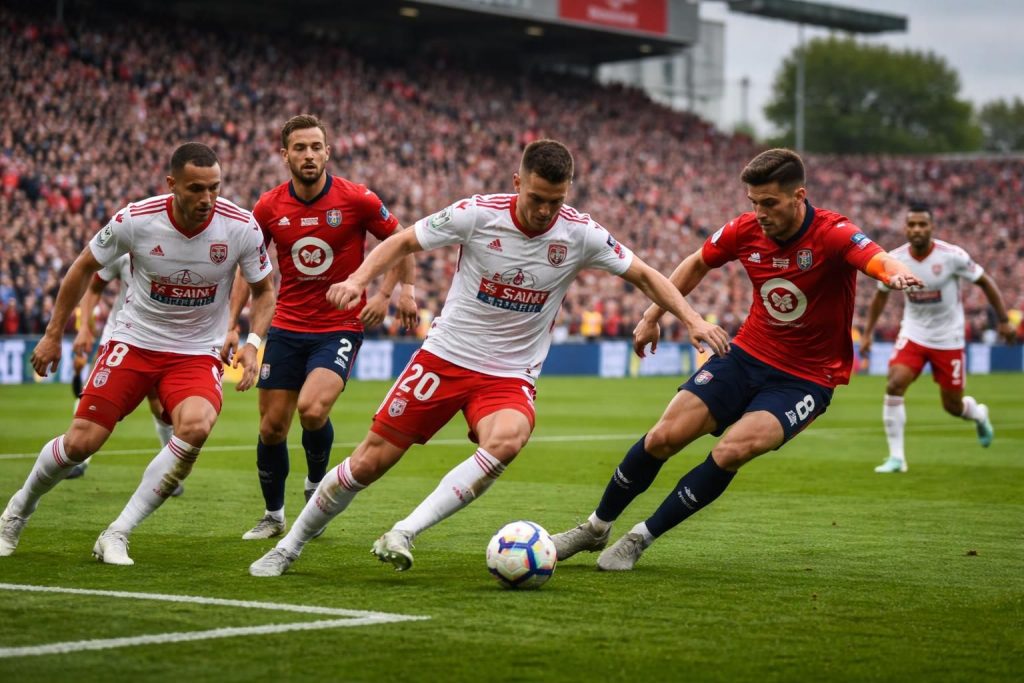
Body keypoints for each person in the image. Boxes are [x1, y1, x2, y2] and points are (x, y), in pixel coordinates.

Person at [248, 138, 731, 577]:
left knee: (509, 438)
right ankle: (289, 545)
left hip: (508, 374)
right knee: (369, 462)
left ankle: (405, 531)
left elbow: (645, 274)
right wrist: (358, 281)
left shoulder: (581, 234)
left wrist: (691, 319)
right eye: (536, 198)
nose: (544, 211)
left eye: (555, 201)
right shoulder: (476, 214)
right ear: (517, 182)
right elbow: (402, 240)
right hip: (445, 357)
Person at [549, 148, 925, 572]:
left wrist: (891, 272)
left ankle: (640, 538)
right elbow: (695, 263)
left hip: (805, 379)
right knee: (661, 438)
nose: (760, 213)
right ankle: (595, 527)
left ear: (799, 196)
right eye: (753, 203)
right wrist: (652, 315)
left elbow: (872, 255)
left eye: (770, 203)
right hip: (745, 355)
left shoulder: (832, 232)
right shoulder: (744, 231)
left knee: (731, 450)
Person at [0, 142, 275, 565]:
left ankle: (118, 532)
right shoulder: (135, 219)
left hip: (195, 351)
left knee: (196, 427)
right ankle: (17, 511)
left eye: (215, 188)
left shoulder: (240, 227)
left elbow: (263, 290)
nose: (207, 199)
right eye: (196, 189)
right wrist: (55, 334)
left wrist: (254, 343)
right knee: (81, 442)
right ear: (172, 185)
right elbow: (82, 269)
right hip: (133, 342)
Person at [227, 114, 418, 541]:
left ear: (327, 152)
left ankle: (316, 487)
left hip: (338, 327)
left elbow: (402, 241)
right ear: (285, 155)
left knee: (312, 410)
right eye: (300, 148)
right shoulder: (268, 206)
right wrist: (236, 326)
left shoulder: (358, 200)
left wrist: (396, 292)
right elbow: (249, 269)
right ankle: (273, 515)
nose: (309, 155)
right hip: (286, 327)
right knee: (271, 427)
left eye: (316, 147)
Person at [859, 202, 1015, 473]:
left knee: (952, 406)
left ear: (932, 227)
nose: (917, 229)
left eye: (922, 224)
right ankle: (897, 458)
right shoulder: (894, 260)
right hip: (914, 333)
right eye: (912, 224)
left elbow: (985, 282)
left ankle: (978, 414)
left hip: (948, 338)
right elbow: (880, 296)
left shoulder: (952, 256)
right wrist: (868, 333)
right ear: (905, 228)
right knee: (895, 383)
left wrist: (1003, 320)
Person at [64, 254, 182, 496]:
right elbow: (94, 286)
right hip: (117, 335)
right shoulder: (123, 252)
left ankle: (169, 471)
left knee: (157, 403)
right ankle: (79, 461)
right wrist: (85, 326)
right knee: (94, 392)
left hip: (155, 341)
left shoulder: (175, 250)